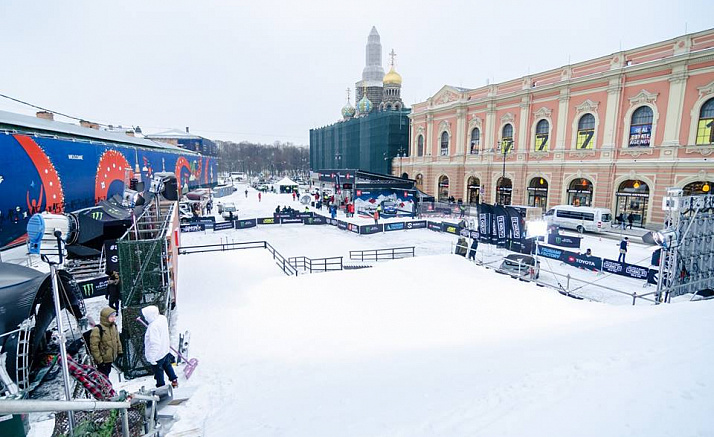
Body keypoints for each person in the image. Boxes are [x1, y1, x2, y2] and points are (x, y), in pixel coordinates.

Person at [141, 305, 178, 388]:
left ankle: (161, 387)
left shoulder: (152, 328)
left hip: (157, 356)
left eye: (146, 316)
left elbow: (155, 344)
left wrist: (152, 358)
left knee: (158, 372)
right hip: (165, 350)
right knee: (167, 365)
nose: (145, 318)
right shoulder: (162, 319)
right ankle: (174, 380)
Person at [89, 307, 122, 377]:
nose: (114, 318)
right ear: (105, 318)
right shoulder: (97, 329)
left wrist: (119, 351)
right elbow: (94, 347)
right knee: (103, 376)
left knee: (107, 374)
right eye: (111, 317)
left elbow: (117, 340)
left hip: (111, 358)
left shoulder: (113, 326)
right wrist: (99, 360)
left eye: (114, 316)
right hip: (103, 360)